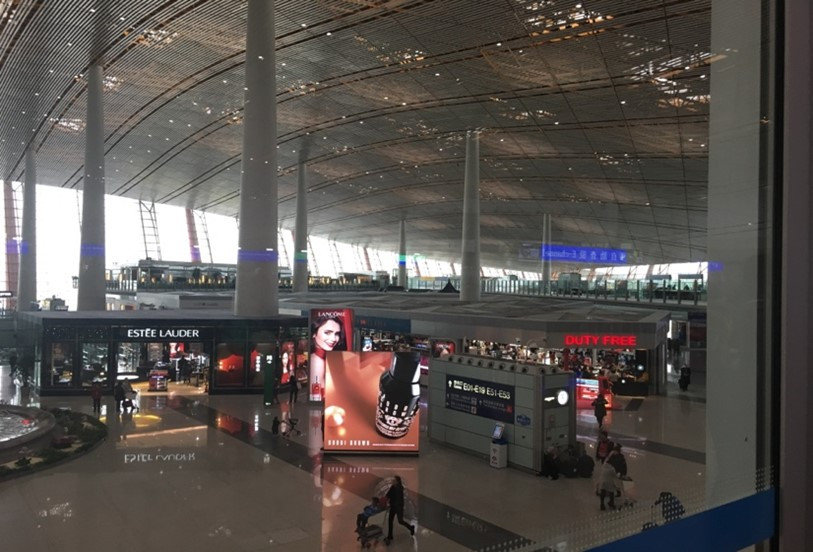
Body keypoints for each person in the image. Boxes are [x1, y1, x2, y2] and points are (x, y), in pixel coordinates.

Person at [308, 314, 346, 401]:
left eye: (337, 334)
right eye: (327, 333)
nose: (333, 339)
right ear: (314, 334)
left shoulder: (329, 359)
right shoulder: (316, 362)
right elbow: (315, 399)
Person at [384, 476, 415, 544]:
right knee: (390, 521)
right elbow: (388, 494)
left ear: (397, 481)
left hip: (398, 507)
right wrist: (387, 498)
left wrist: (390, 502)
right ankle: (390, 535)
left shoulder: (399, 488)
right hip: (393, 507)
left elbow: (397, 499)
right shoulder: (393, 487)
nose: (392, 481)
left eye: (394, 480)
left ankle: (411, 528)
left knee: (400, 521)